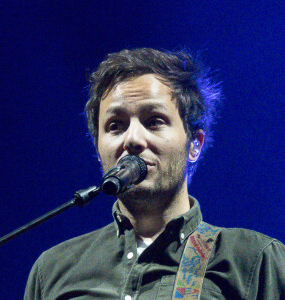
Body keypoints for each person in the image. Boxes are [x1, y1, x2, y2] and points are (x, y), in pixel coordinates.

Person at [24, 48, 284, 299]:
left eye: (154, 121)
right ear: (98, 148)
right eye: (116, 126)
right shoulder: (52, 271)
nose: (133, 139)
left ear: (194, 143)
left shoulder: (254, 260)